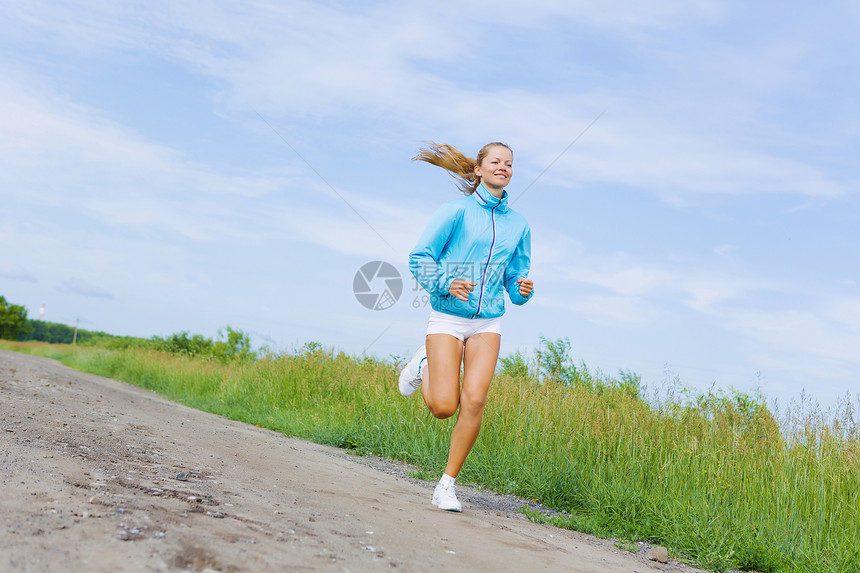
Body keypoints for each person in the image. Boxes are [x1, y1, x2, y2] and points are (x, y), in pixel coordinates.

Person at [399, 141, 534, 512]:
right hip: (448, 315)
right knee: (444, 406)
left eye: (509, 163)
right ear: (479, 169)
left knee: (474, 401)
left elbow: (515, 275)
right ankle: (424, 364)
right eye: (495, 161)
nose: (503, 167)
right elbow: (420, 256)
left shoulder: (518, 225)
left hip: (488, 321)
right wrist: (445, 282)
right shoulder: (456, 211)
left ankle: (446, 486)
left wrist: (521, 289)